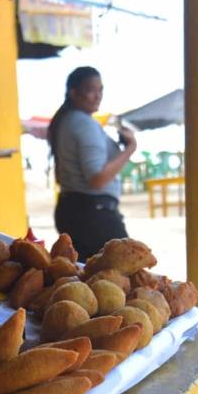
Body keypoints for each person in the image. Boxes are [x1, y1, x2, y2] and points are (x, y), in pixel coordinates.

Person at [48, 66, 137, 261]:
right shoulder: (84, 123)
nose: (97, 96)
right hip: (93, 215)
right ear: (74, 92)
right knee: (129, 276)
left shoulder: (65, 121)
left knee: (86, 282)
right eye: (90, 90)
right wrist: (130, 148)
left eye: (100, 90)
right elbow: (97, 178)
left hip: (72, 209)